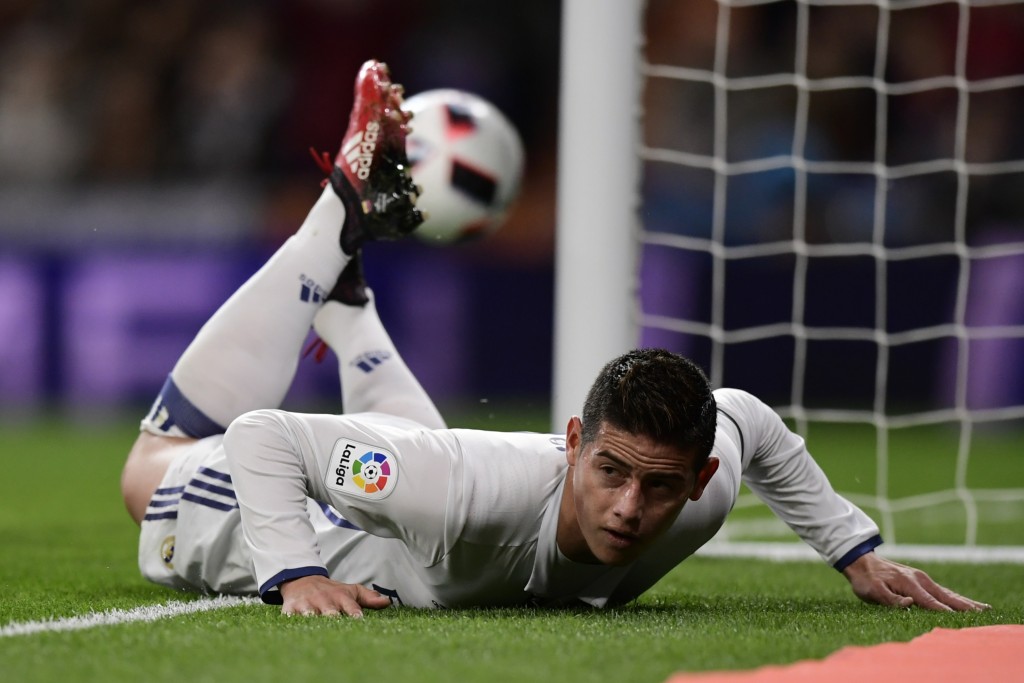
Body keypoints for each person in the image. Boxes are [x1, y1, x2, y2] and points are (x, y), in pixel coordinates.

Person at [121, 60, 989, 618]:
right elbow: (265, 437)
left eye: (658, 486)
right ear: (573, 442)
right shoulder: (469, 490)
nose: (627, 509)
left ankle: (347, 302)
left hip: (408, 514)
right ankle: (333, 224)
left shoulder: (704, 493)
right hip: (292, 512)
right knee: (149, 470)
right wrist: (292, 574)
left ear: (700, 479)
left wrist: (853, 548)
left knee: (418, 471)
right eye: (611, 470)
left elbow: (750, 418)